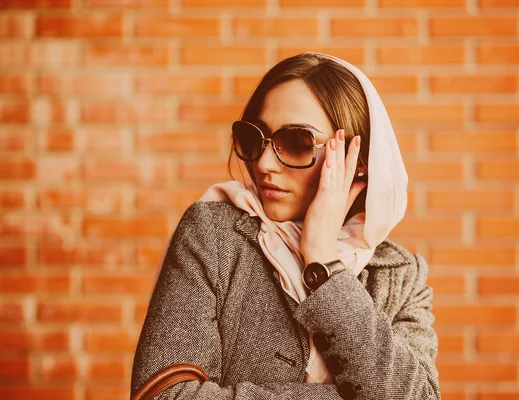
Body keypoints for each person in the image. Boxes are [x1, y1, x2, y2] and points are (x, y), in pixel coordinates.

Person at [131, 52, 440, 400]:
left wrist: (324, 266)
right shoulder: (213, 235)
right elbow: (162, 395)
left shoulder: (400, 276)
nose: (263, 164)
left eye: (297, 142)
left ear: (359, 163)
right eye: (255, 137)